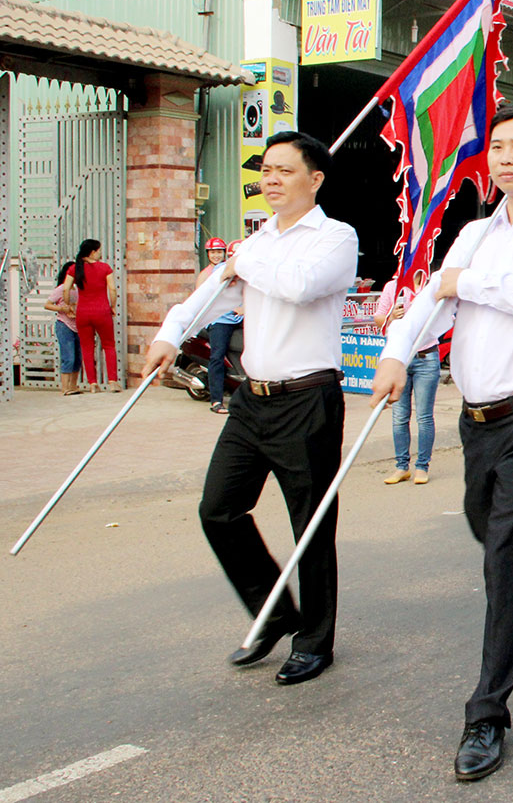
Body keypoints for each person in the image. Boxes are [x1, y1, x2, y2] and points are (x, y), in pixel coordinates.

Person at [371, 103, 513, 783]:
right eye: (496, 147)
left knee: (503, 561)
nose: (503, 158)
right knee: (495, 535)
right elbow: (432, 303)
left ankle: (486, 714)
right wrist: (395, 351)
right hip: (476, 422)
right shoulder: (472, 233)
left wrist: (463, 283)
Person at [143, 131, 358, 687]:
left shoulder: (334, 238)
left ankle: (315, 641)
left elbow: (301, 286)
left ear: (315, 179)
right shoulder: (256, 243)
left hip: (307, 399)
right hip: (251, 401)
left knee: (310, 526)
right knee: (218, 509)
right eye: (266, 170)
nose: (271, 180)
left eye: (285, 171)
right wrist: (170, 334)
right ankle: (275, 611)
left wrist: (244, 262)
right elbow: (209, 297)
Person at [376, 269, 438, 485]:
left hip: (426, 356)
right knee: (400, 416)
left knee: (424, 416)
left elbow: (446, 317)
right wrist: (392, 316)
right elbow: (379, 318)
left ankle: (422, 466)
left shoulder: (431, 287)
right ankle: (401, 466)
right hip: (400, 360)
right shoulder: (392, 287)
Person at [63, 239, 120, 392]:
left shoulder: (74, 269)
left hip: (83, 312)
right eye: (99, 251)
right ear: (93, 252)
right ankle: (113, 381)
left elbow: (66, 289)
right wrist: (112, 305)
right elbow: (113, 290)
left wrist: (68, 306)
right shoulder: (105, 268)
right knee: (109, 346)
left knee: (87, 348)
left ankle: (93, 384)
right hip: (102, 311)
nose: (101, 253)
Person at [197, 238, 244, 414]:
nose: (217, 255)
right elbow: (202, 299)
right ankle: (216, 400)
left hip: (239, 319)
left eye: (220, 252)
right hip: (220, 320)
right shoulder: (212, 273)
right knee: (217, 356)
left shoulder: (241, 271)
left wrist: (245, 308)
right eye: (213, 252)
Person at [43, 262, 81, 396]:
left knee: (78, 357)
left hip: (78, 325)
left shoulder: (77, 289)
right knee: (68, 356)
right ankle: (65, 387)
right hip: (64, 324)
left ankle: (73, 386)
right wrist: (61, 308)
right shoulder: (61, 289)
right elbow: (47, 305)